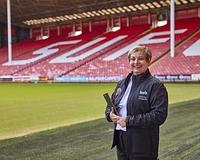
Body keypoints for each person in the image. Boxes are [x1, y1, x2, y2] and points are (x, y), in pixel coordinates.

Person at [105, 46, 168, 160]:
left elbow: (159, 116)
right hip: (121, 140)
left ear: (148, 61)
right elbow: (109, 107)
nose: (136, 62)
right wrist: (110, 114)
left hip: (143, 142)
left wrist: (128, 120)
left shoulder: (155, 85)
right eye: (133, 59)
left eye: (140, 59)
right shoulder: (121, 84)